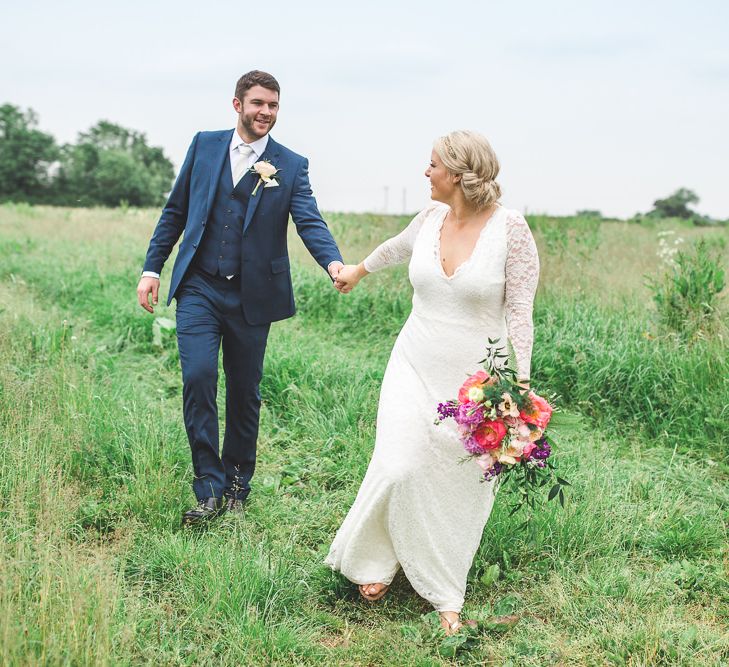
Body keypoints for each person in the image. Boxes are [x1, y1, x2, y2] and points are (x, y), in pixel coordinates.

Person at [326, 130, 539, 633]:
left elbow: (521, 314)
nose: (426, 172)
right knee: (398, 463)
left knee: (457, 481)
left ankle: (445, 588)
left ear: (460, 175)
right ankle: (374, 559)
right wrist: (356, 270)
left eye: (433, 165)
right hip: (413, 363)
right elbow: (394, 250)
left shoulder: (511, 230)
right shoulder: (429, 219)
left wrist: (519, 389)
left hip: (476, 382)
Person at [136, 70, 343, 526]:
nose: (265, 112)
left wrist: (333, 264)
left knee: (245, 393)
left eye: (273, 105)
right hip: (199, 286)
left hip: (254, 295)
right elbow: (175, 211)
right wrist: (153, 268)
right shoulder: (204, 146)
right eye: (258, 104)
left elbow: (310, 221)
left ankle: (236, 486)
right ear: (237, 105)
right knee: (199, 376)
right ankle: (208, 487)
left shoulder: (290, 164)